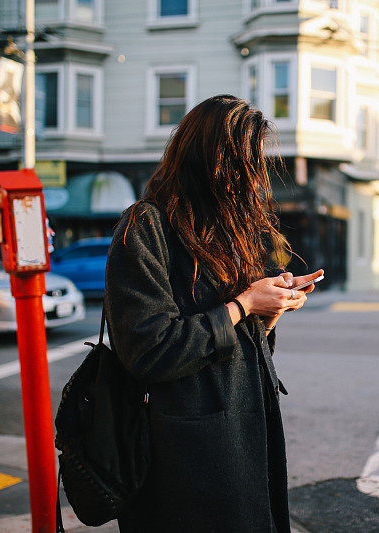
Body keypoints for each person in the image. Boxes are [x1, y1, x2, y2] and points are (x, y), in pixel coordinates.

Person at [104, 94, 323, 532]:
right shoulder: (146, 226)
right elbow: (149, 350)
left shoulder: (230, 231)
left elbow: (245, 339)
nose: (253, 177)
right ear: (210, 160)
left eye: (255, 163)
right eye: (242, 162)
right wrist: (244, 304)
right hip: (183, 458)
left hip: (244, 435)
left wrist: (270, 309)